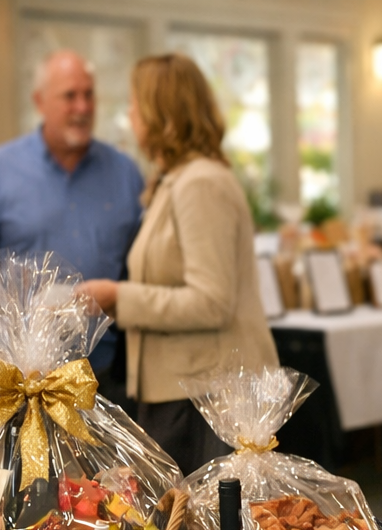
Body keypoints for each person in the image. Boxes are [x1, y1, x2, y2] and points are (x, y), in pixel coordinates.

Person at [76, 54, 278, 474]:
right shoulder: (177, 181)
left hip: (208, 400)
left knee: (203, 515)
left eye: (135, 103)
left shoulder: (201, 183)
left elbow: (211, 302)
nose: (130, 114)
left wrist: (118, 298)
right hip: (184, 390)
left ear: (160, 113)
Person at [0, 51, 144, 404]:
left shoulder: (125, 173)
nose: (82, 107)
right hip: (20, 384)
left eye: (89, 94)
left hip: (109, 375)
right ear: (40, 101)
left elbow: (143, 267)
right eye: (69, 96)